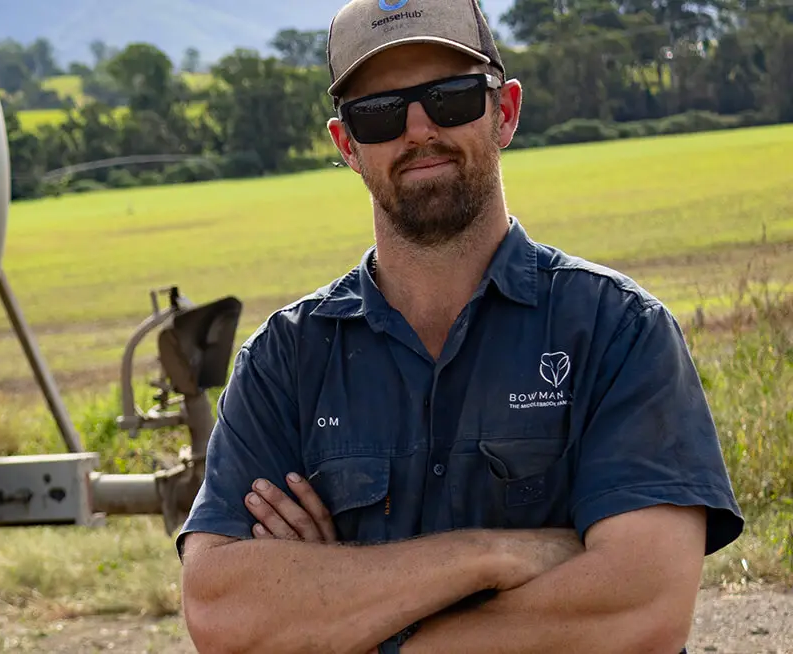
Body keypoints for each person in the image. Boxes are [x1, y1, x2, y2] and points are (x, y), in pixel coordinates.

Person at [171, 0, 747, 652]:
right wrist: (490, 555)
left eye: (449, 98)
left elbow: (640, 611)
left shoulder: (618, 332)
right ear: (347, 145)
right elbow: (225, 616)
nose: (419, 130)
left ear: (504, 112)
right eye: (380, 112)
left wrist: (352, 616)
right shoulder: (285, 361)